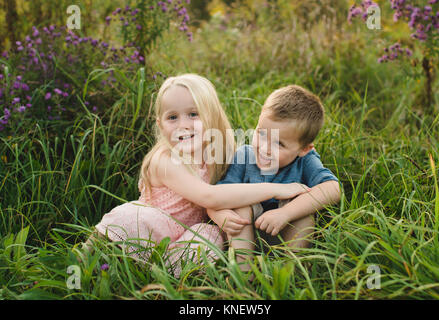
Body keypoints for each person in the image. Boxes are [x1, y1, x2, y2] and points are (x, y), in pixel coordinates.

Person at [81, 74, 309, 277]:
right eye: (172, 118)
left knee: (209, 236)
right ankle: (95, 264)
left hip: (184, 233)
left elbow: (230, 190)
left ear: (211, 116)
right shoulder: (165, 160)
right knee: (139, 219)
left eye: (193, 114)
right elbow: (210, 196)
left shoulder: (214, 153)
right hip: (155, 227)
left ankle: (162, 273)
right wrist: (280, 189)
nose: (184, 125)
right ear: (160, 125)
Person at [207, 84, 341, 270]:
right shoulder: (244, 156)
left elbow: (333, 189)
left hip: (283, 233)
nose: (264, 148)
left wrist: (285, 213)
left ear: (304, 149)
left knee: (305, 217)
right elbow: (218, 195)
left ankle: (288, 273)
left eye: (279, 143)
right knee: (239, 206)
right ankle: (244, 275)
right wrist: (219, 215)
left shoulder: (306, 160)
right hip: (245, 233)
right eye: (261, 133)